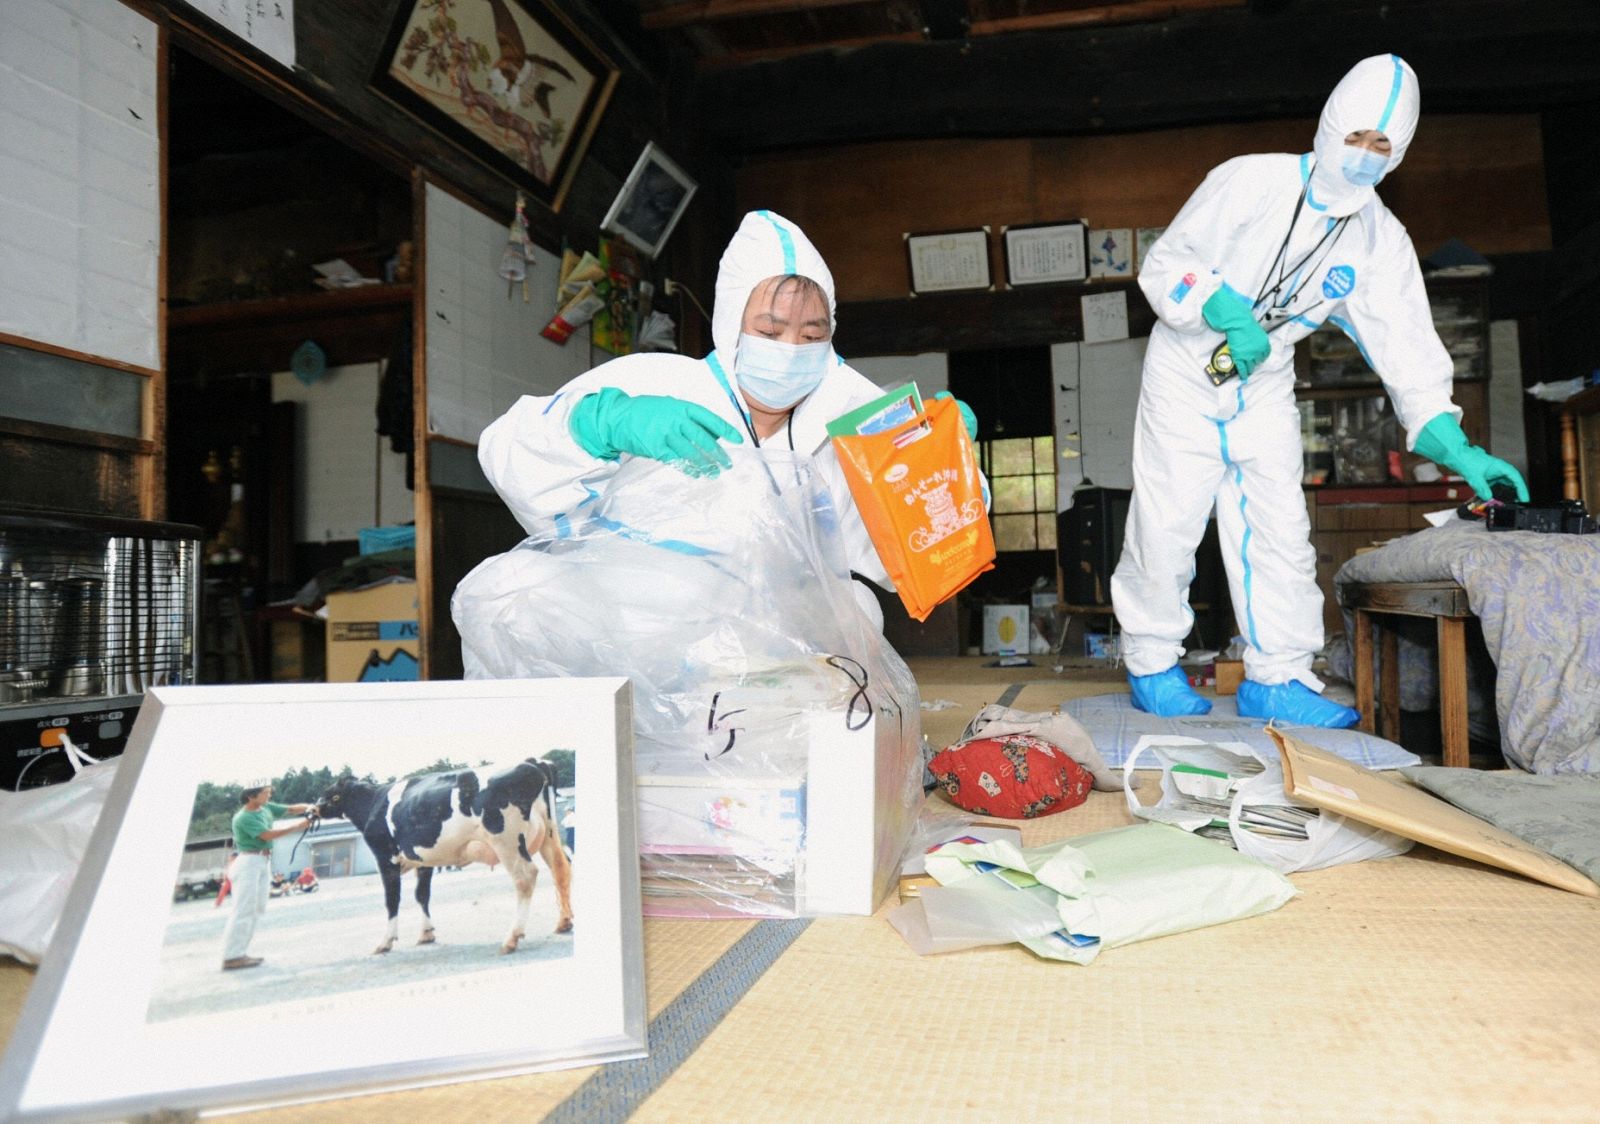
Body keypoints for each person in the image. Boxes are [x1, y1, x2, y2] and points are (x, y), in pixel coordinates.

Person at [1112, 54, 1527, 728]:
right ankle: (1151, 659)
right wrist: (1225, 309)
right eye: (1357, 136)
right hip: (1187, 370)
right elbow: (1166, 265)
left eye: (1383, 145)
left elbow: (1409, 352)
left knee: (1279, 531)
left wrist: (1461, 449)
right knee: (1168, 523)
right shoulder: (1250, 181)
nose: (1364, 156)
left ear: (1401, 154)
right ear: (1331, 124)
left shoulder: (1378, 241)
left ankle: (1276, 677)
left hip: (1266, 378)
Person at [473, 209, 978, 632]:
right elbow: (508, 452)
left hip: (775, 639)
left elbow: (915, 554)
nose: (790, 350)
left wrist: (943, 464)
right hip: (635, 622)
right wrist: (602, 424)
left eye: (810, 335)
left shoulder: (850, 417)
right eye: (770, 329)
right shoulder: (656, 384)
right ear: (732, 320)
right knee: (505, 589)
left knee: (860, 614)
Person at [219, 781, 317, 971]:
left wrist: (312, 807)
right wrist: (300, 825)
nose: (269, 796)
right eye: (265, 793)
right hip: (248, 862)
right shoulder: (243, 818)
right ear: (251, 796)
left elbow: (290, 809)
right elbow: (267, 835)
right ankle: (231, 956)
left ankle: (239, 953)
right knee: (243, 909)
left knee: (257, 908)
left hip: (262, 862)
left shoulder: (265, 808)